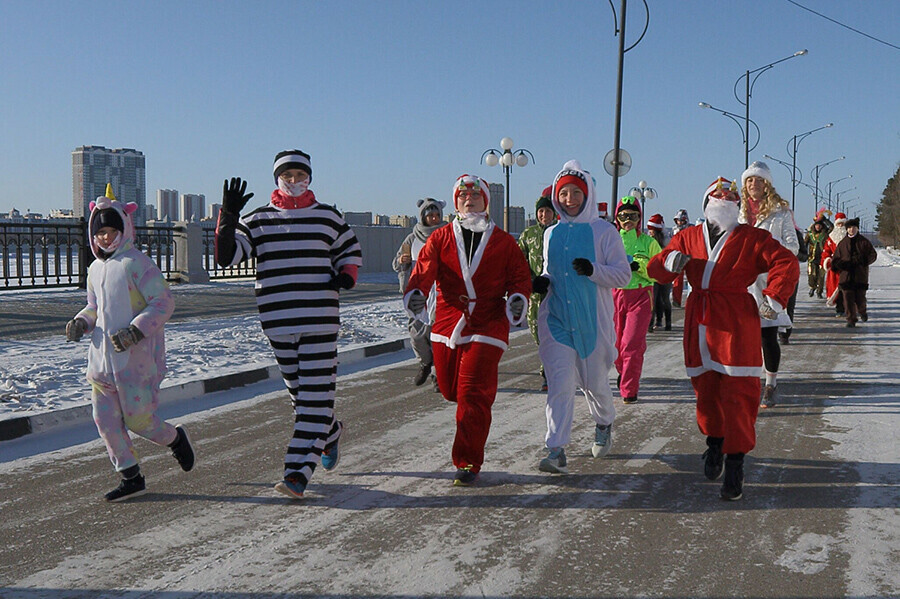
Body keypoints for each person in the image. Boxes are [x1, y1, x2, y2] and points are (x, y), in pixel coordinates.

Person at [215, 149, 362, 499]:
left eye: (300, 175)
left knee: (313, 400)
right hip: (278, 321)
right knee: (303, 397)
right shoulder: (259, 219)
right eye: (288, 176)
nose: (294, 182)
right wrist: (230, 215)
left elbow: (350, 251)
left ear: (310, 178)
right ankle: (330, 432)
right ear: (277, 178)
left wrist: (346, 276)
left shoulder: (328, 217)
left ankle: (297, 473)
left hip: (319, 320)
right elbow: (225, 257)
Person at [647, 177, 798, 501]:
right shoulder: (687, 237)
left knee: (740, 394)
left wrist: (772, 298)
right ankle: (714, 443)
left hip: (736, 323)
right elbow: (656, 271)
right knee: (706, 391)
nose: (725, 198)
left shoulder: (752, 237)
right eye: (718, 196)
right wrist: (669, 262)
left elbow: (786, 262)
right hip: (699, 321)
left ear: (737, 206)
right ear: (707, 204)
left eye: (731, 196)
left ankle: (735, 463)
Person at [66, 185, 195, 502]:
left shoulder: (139, 264)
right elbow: (94, 307)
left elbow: (163, 303)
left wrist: (136, 331)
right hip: (101, 365)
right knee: (105, 422)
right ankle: (131, 476)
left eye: (110, 231)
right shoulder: (95, 269)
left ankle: (175, 439)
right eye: (99, 233)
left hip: (134, 365)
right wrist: (81, 321)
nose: (105, 238)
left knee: (140, 422)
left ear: (124, 229)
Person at [404, 174, 531, 486]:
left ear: (485, 202)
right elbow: (423, 271)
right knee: (450, 390)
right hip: (448, 319)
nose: (468, 200)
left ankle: (467, 461)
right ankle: (469, 410)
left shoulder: (503, 241)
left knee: (472, 393)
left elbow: (519, 276)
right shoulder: (441, 237)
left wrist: (516, 299)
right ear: (456, 202)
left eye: (475, 196)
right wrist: (416, 292)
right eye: (462, 197)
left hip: (489, 319)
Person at [531, 161, 631, 473]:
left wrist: (593, 270)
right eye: (564, 193)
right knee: (560, 384)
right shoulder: (551, 233)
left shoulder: (605, 231)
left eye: (576, 192)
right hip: (557, 319)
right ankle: (556, 449)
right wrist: (542, 281)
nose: (570, 199)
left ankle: (604, 422)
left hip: (592, 323)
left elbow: (623, 275)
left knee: (595, 385)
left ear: (588, 194)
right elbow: (551, 270)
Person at [739, 161, 799, 408]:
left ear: (768, 185)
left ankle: (770, 384)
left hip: (769, 283)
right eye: (750, 180)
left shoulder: (781, 213)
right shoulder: (737, 212)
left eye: (759, 180)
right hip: (742, 284)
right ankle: (747, 382)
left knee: (767, 336)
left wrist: (769, 255)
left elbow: (793, 246)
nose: (754, 184)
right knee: (743, 337)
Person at [392, 198, 447, 389]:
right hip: (417, 292)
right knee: (416, 334)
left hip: (440, 291)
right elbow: (397, 264)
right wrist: (403, 260)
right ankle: (425, 363)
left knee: (437, 334)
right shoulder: (412, 238)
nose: (433, 218)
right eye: (429, 215)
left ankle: (439, 375)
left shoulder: (446, 235)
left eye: (436, 215)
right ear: (422, 217)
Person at [612, 195, 661, 404]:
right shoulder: (610, 239)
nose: (627, 220)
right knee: (614, 345)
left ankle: (629, 389)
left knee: (631, 342)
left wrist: (639, 267)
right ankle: (623, 372)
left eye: (632, 216)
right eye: (623, 216)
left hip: (640, 295)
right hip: (614, 296)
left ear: (639, 217)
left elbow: (660, 272)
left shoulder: (648, 242)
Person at [517, 187, 556, 391]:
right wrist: (528, 281)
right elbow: (518, 259)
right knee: (537, 332)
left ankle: (548, 373)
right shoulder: (528, 234)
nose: (544, 215)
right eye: (541, 211)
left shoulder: (559, 232)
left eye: (547, 211)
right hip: (534, 292)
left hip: (555, 291)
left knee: (553, 333)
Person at [831, 217, 877, 327]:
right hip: (846, 276)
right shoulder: (842, 243)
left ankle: (862, 311)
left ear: (857, 228)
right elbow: (836, 258)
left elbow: (873, 255)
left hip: (860, 276)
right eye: (849, 228)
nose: (851, 230)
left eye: (854, 227)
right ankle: (851, 319)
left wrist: (864, 261)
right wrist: (839, 265)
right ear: (847, 229)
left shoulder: (864, 242)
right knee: (847, 299)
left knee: (860, 298)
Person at [647, 213, 672, 331]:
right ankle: (651, 324)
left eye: (652, 230)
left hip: (665, 274)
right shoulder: (648, 241)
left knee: (665, 299)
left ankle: (667, 322)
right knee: (653, 299)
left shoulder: (666, 241)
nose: (649, 232)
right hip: (653, 275)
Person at [822, 212, 848, 317]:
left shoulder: (849, 236)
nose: (840, 226)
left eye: (842, 224)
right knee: (837, 289)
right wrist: (827, 261)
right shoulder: (831, 238)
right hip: (835, 268)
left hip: (847, 267)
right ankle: (839, 308)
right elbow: (826, 251)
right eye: (839, 224)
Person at [671, 209, 693, 307]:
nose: (679, 222)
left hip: (690, 254)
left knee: (692, 278)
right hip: (678, 255)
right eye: (678, 220)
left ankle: (692, 300)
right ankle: (676, 300)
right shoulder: (674, 230)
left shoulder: (691, 229)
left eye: (681, 220)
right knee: (677, 278)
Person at [804, 216, 829, 298]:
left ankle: (819, 291)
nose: (818, 227)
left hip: (823, 258)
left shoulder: (825, 234)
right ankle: (812, 287)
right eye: (816, 225)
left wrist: (825, 220)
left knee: (821, 276)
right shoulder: (810, 234)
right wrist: (803, 253)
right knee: (811, 274)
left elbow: (832, 227)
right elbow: (805, 244)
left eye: (819, 225)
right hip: (812, 258)